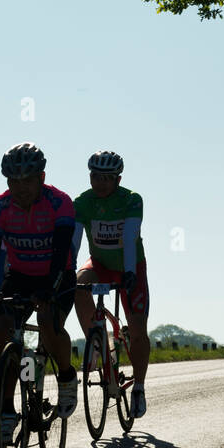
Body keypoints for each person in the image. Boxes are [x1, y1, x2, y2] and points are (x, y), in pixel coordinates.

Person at [0, 142, 79, 440]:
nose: (20, 187)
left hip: (57, 275)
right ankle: (7, 409)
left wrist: (49, 288)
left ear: (42, 177)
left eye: (28, 180)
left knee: (48, 322)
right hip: (20, 275)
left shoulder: (60, 202)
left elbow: (62, 249)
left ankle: (65, 375)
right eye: (14, 181)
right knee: (2, 329)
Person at [72, 151, 151, 418]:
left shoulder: (131, 200)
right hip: (100, 265)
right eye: (95, 176)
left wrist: (129, 272)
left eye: (107, 178)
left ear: (118, 179)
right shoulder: (82, 202)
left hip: (131, 267)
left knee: (138, 328)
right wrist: (65, 269)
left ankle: (138, 387)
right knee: (77, 284)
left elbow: (130, 238)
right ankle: (97, 343)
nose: (101, 183)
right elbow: (74, 243)